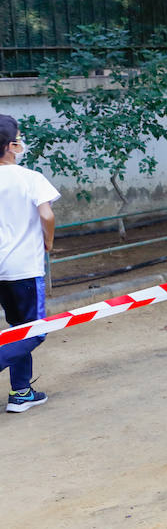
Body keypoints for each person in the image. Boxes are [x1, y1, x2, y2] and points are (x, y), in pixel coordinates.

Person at [0, 116, 58, 413]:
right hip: (24, 268)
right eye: (20, 137)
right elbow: (46, 215)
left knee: (16, 329)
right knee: (34, 331)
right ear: (11, 146)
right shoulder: (29, 177)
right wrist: (48, 240)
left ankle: (21, 392)